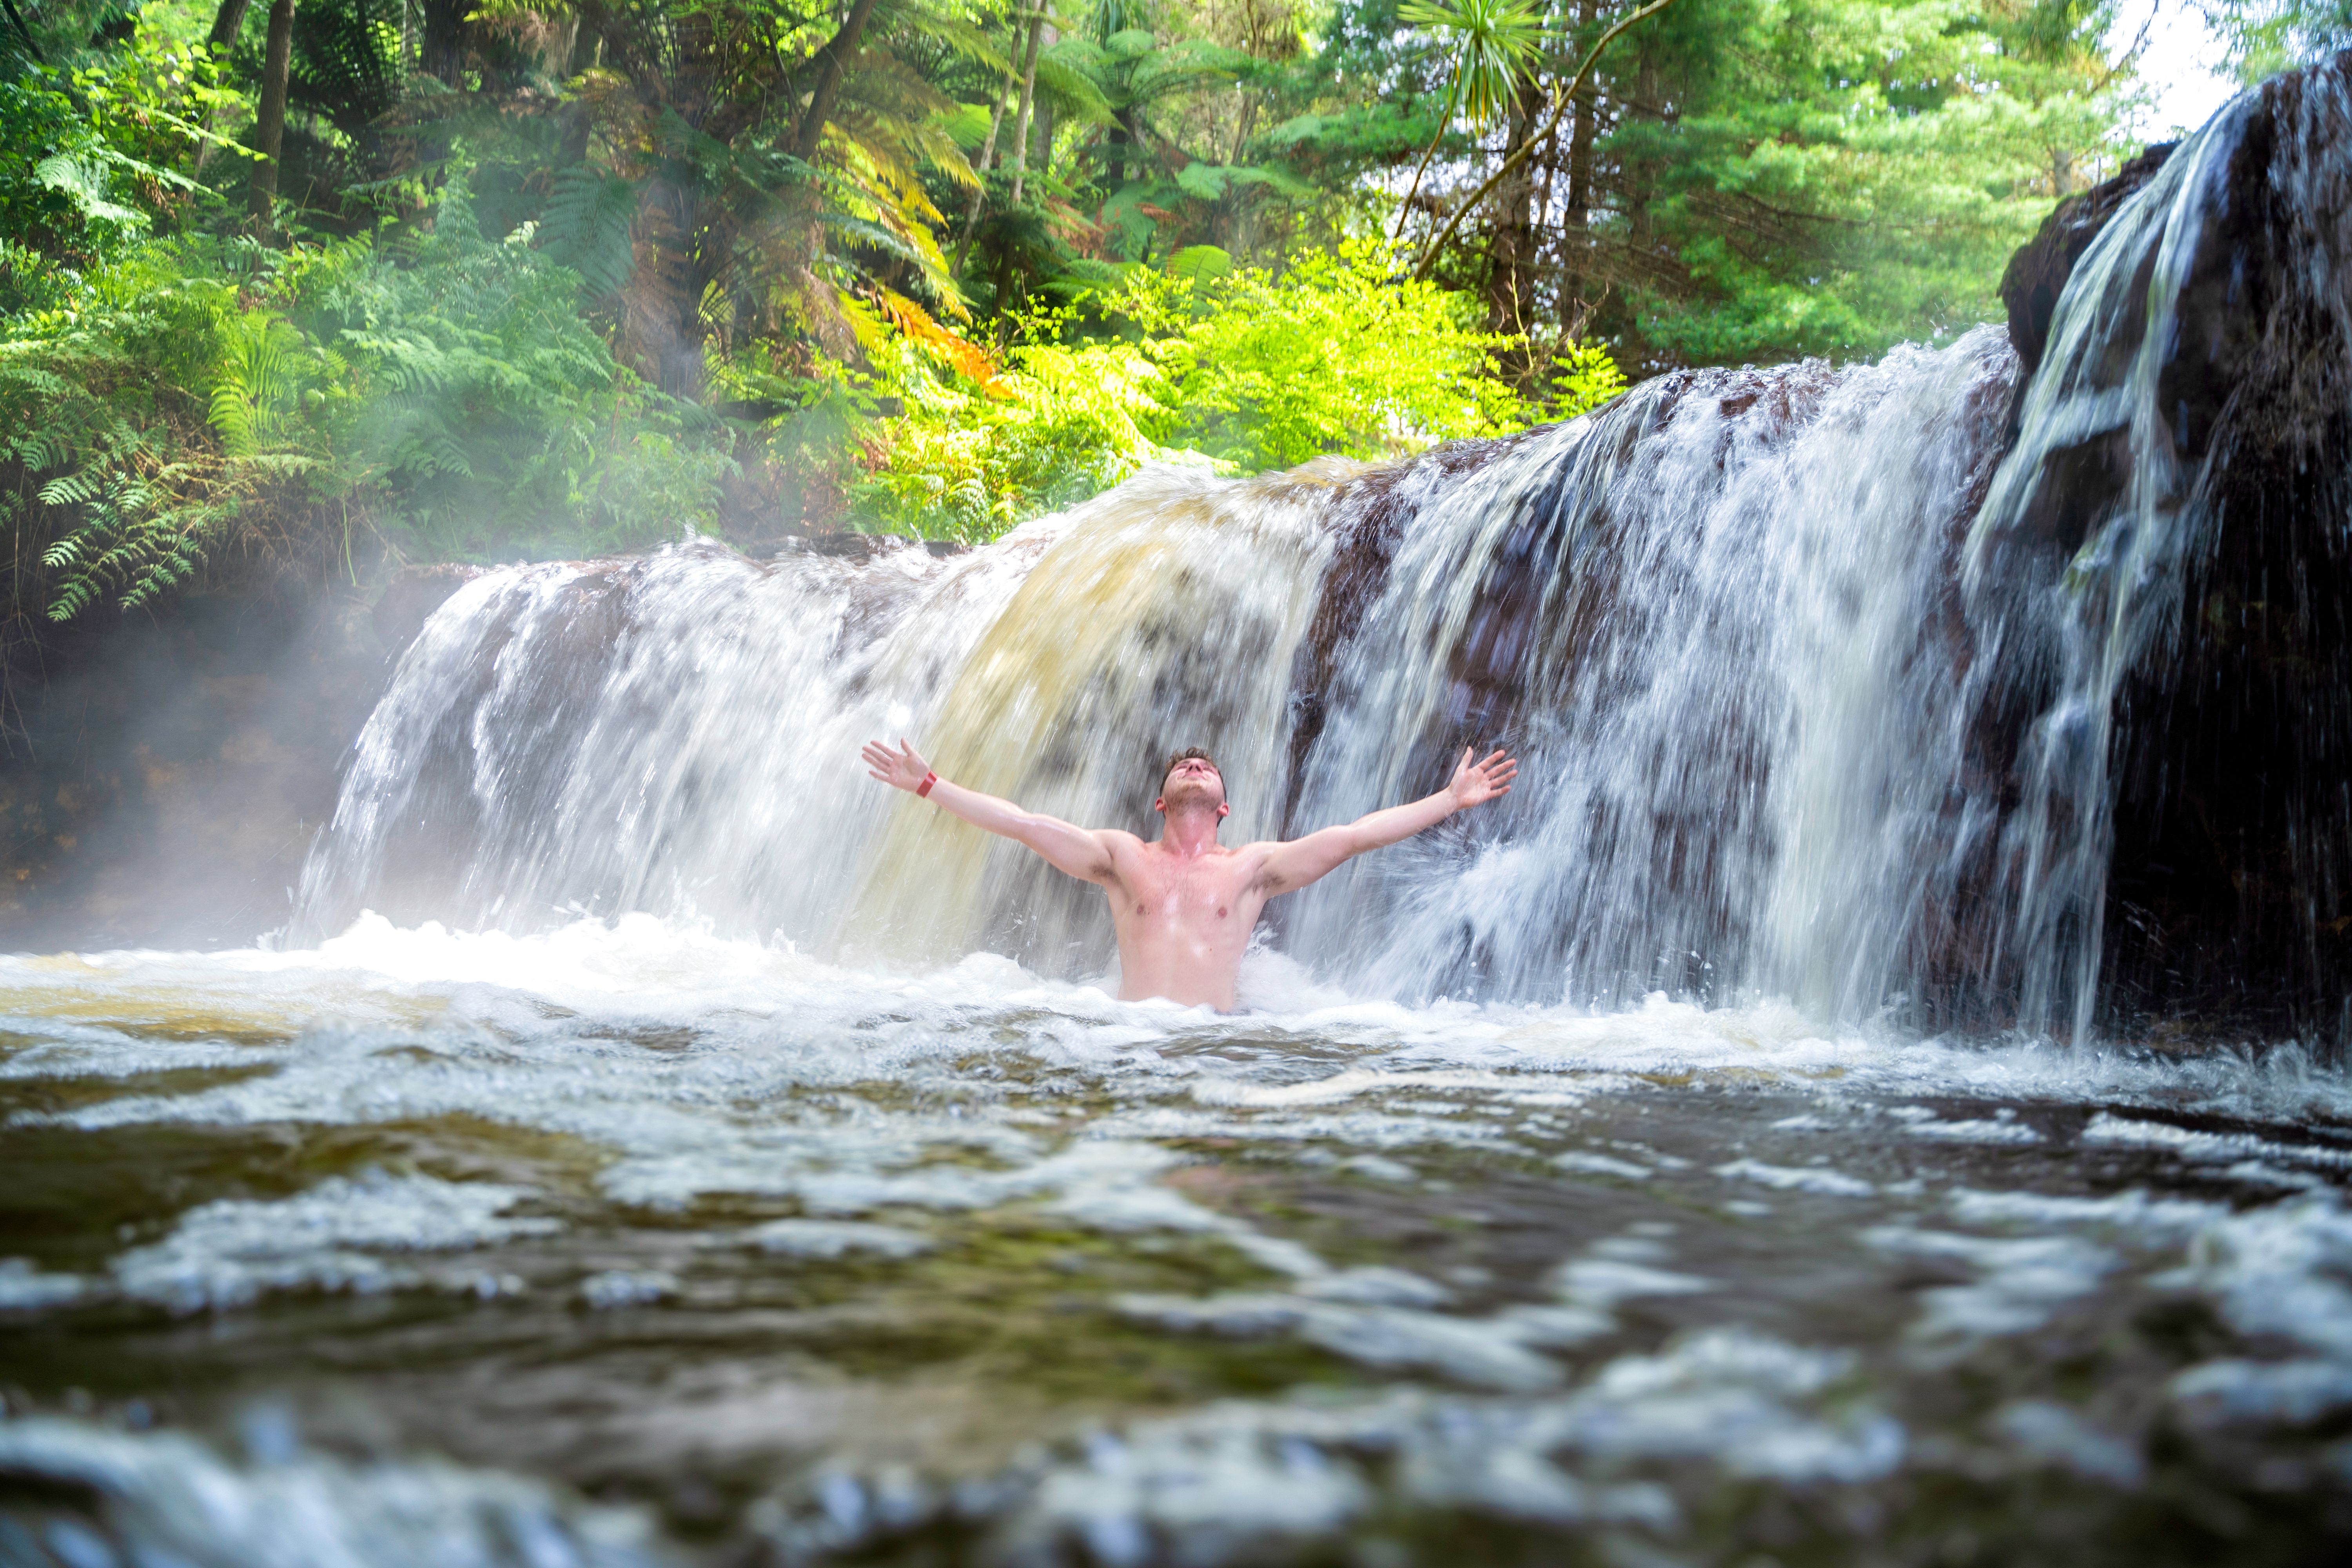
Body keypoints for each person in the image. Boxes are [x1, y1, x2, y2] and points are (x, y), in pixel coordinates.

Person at [859, 738, 1518, 1010]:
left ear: (1225, 806)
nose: (1195, 766)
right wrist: (928, 785)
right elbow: (1025, 825)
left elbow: (1349, 840)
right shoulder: (1122, 859)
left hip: (1215, 1047)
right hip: (1125, 1041)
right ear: (1161, 800)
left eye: (1206, 767)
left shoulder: (1254, 869)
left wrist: (1448, 801)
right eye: (1184, 766)